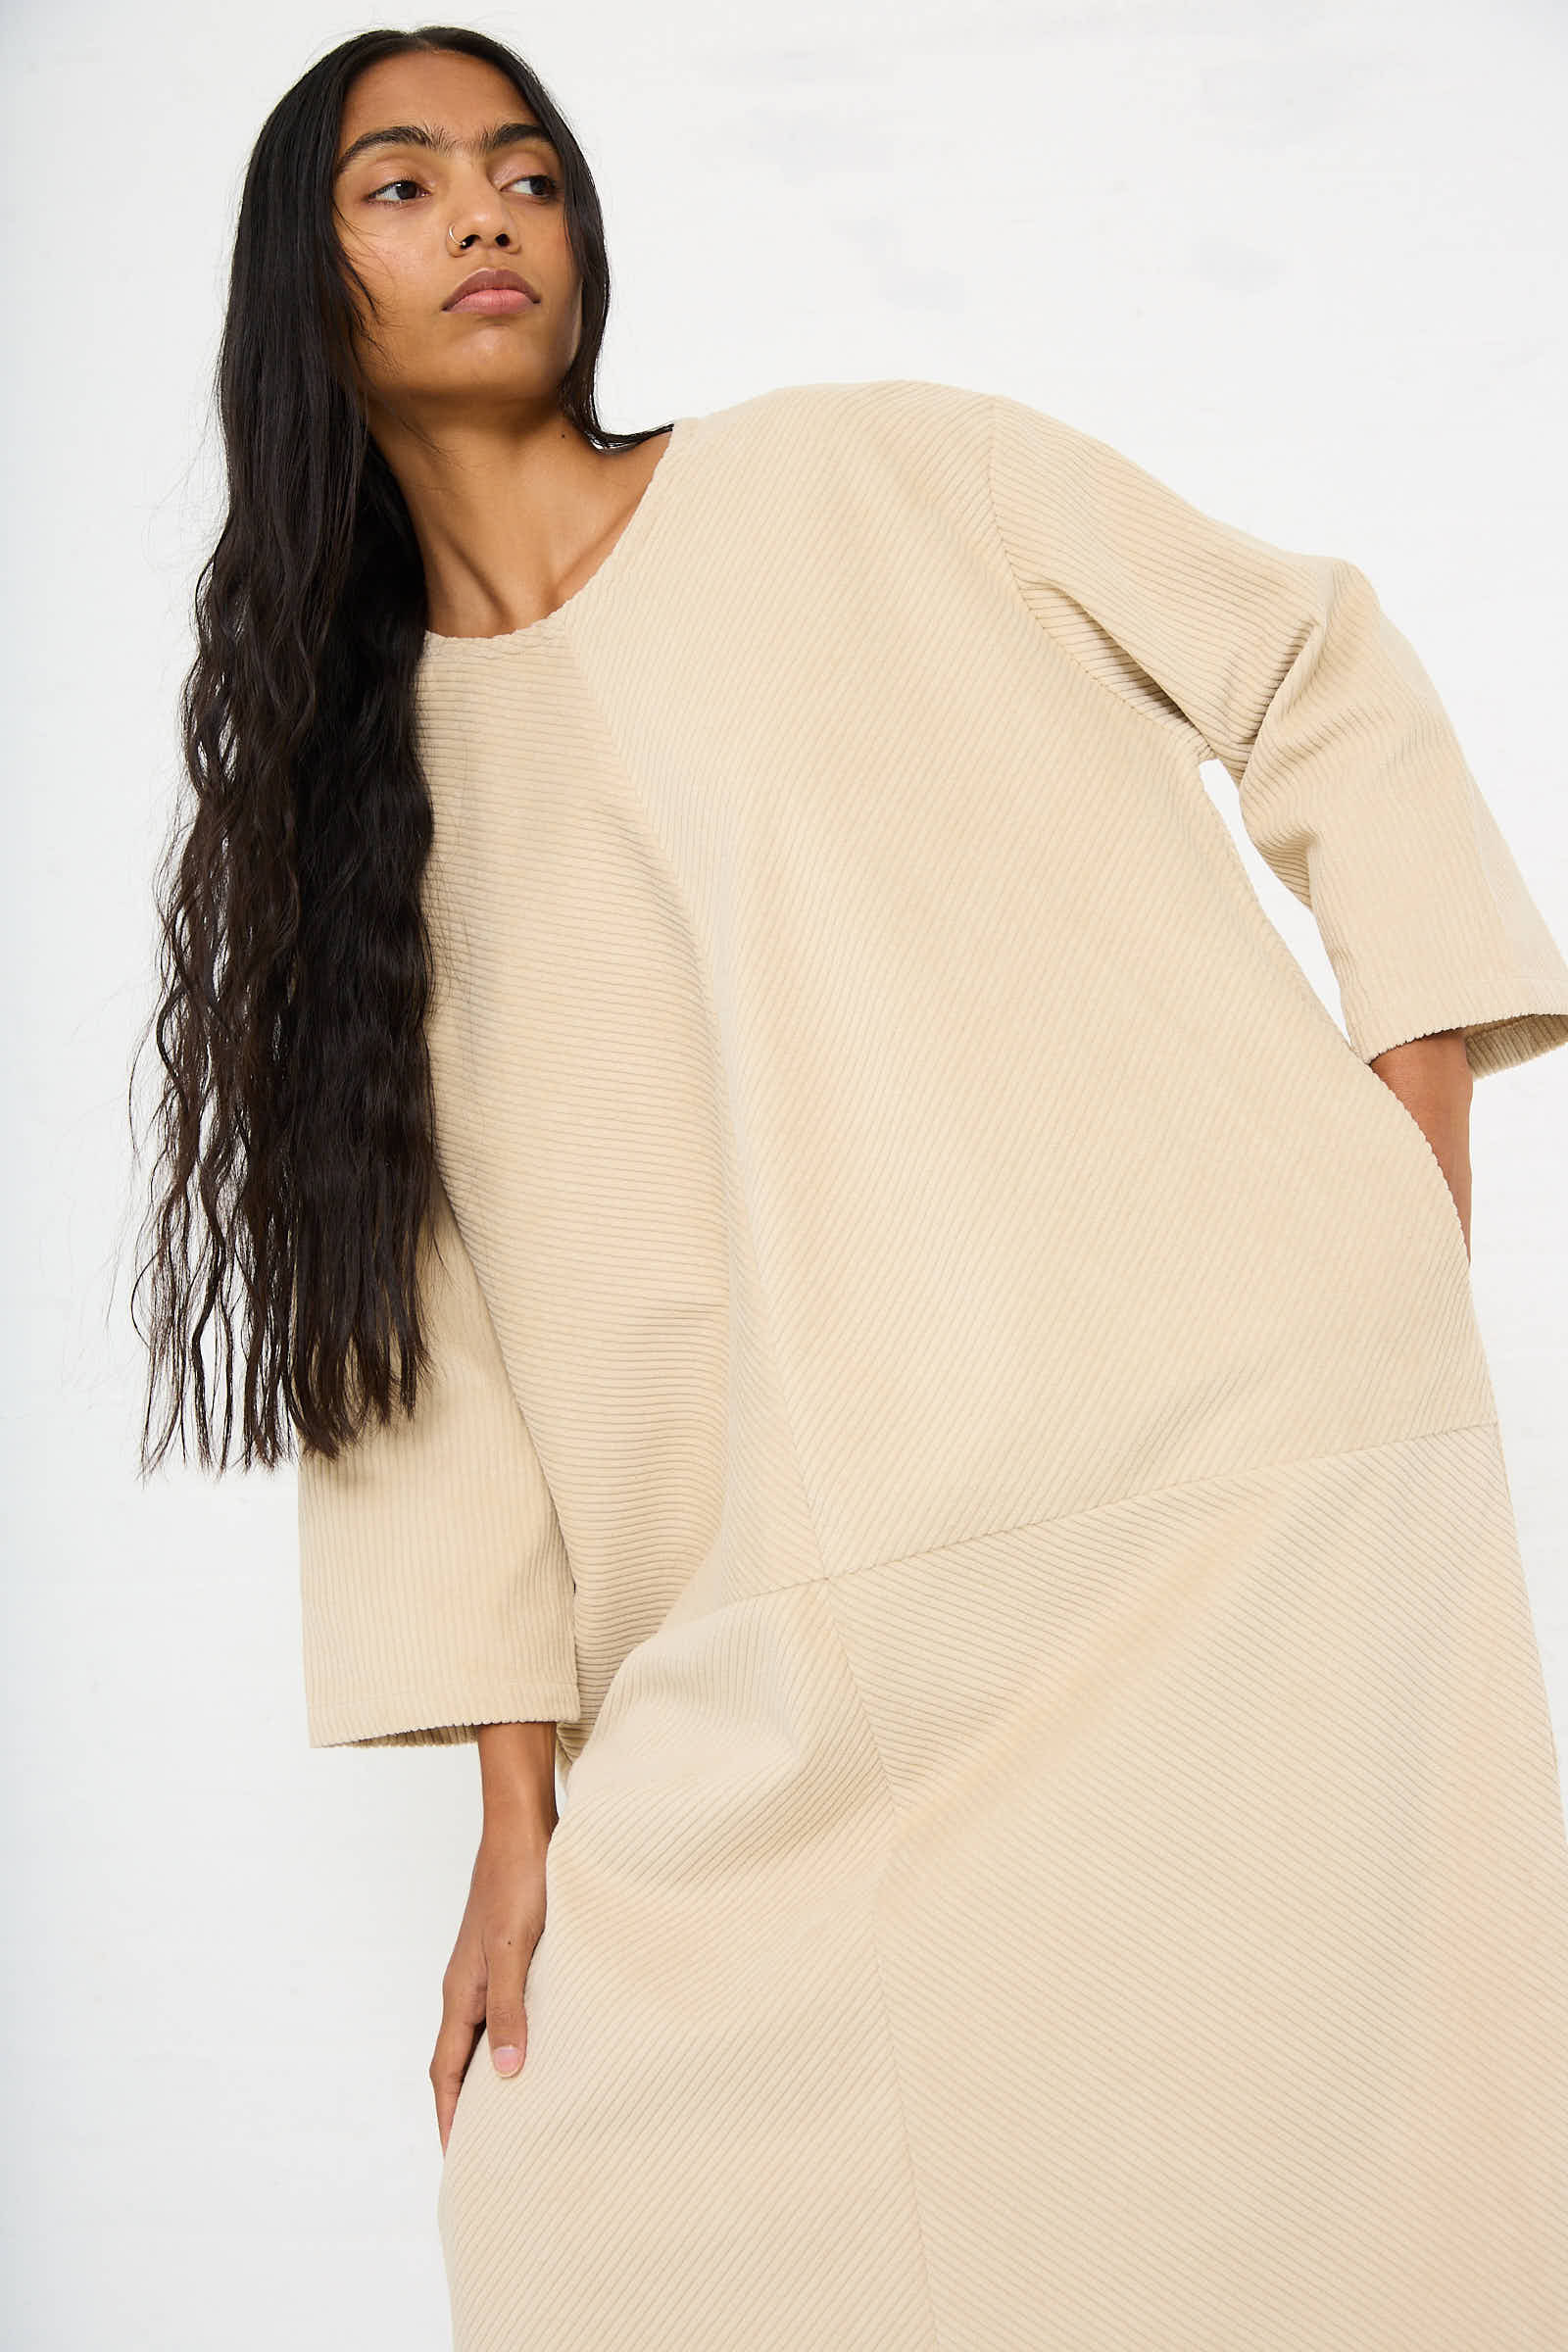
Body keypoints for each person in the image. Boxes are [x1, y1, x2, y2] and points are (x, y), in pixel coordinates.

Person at [134, 23, 1568, 2350]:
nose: (484, 213)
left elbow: (1307, 661)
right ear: (298, 296)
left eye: (524, 170)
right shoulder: (342, 803)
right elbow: (417, 1342)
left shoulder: (880, 476)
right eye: (398, 187)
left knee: (1336, 2174)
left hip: (1199, 1492)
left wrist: (1411, 1131)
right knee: (579, 2234)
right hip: (772, 1630)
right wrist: (520, 1813)